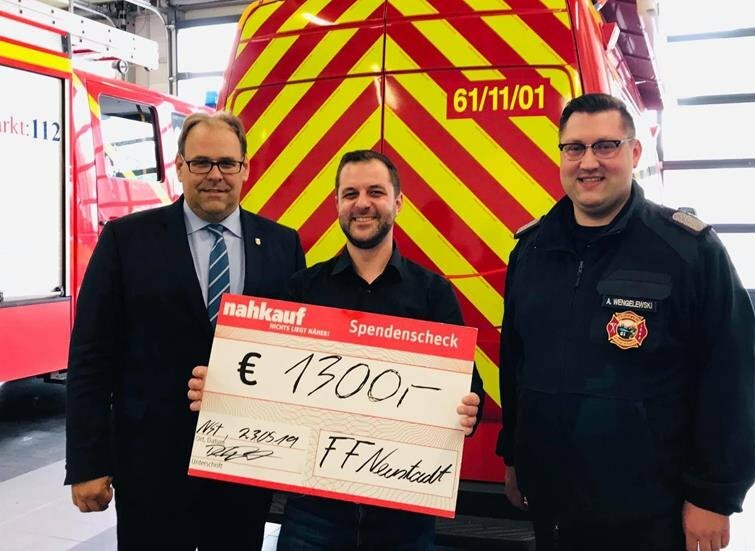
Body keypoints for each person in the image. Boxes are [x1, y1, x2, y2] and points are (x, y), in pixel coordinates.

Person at [496, 93, 755, 551]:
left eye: (606, 146)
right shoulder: (531, 251)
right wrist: (514, 456)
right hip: (552, 506)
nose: (588, 162)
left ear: (634, 153)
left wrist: (714, 495)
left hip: (649, 512)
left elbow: (728, 379)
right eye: (574, 148)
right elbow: (516, 363)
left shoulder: (689, 252)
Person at [188, 149, 484, 550]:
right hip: (314, 516)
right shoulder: (302, 290)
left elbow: (471, 391)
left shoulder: (433, 293)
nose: (362, 203)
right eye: (350, 194)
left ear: (398, 202)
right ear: (337, 205)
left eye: (375, 192)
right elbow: (266, 384)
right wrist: (223, 392)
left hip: (403, 518)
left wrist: (469, 409)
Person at [65, 112, 306, 551]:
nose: (215, 175)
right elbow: (90, 358)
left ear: (245, 168)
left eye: (227, 163)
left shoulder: (282, 245)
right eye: (201, 163)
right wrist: (87, 462)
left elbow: (294, 356)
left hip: (242, 466)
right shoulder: (126, 239)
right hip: (149, 468)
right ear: (179, 166)